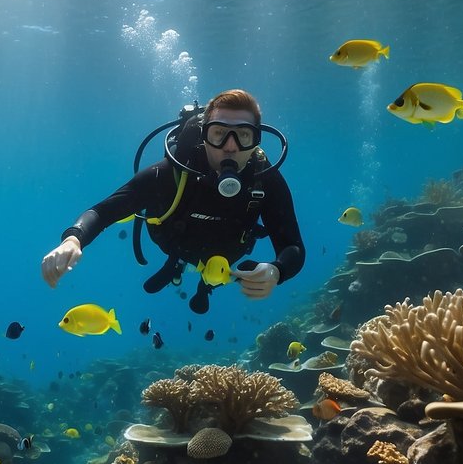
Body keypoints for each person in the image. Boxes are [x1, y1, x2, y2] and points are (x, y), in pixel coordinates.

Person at [41, 88, 304, 313]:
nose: (230, 146)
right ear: (204, 135)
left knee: (214, 275)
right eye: (218, 133)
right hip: (175, 243)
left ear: (256, 139)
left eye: (243, 134)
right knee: (185, 260)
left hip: (229, 252)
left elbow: (292, 246)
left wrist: (278, 270)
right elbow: (102, 212)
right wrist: (73, 239)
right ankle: (176, 266)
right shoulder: (168, 174)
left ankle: (205, 283)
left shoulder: (265, 180)